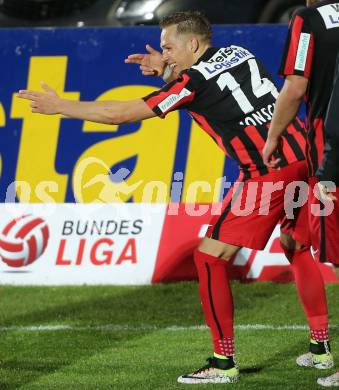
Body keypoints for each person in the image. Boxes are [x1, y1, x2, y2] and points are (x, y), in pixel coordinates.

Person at [17, 11, 332, 384]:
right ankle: (320, 349)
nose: (164, 54)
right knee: (294, 245)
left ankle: (222, 362)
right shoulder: (238, 52)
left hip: (268, 172)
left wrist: (62, 107)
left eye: (168, 48)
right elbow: (212, 82)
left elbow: (121, 114)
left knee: (209, 258)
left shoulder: (192, 81)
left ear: (193, 44)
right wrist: (167, 71)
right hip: (305, 160)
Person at [262, 0, 339, 386]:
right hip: (325, 152)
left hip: (332, 151)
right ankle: (321, 345)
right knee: (295, 239)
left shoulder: (308, 19)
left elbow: (295, 86)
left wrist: (273, 136)